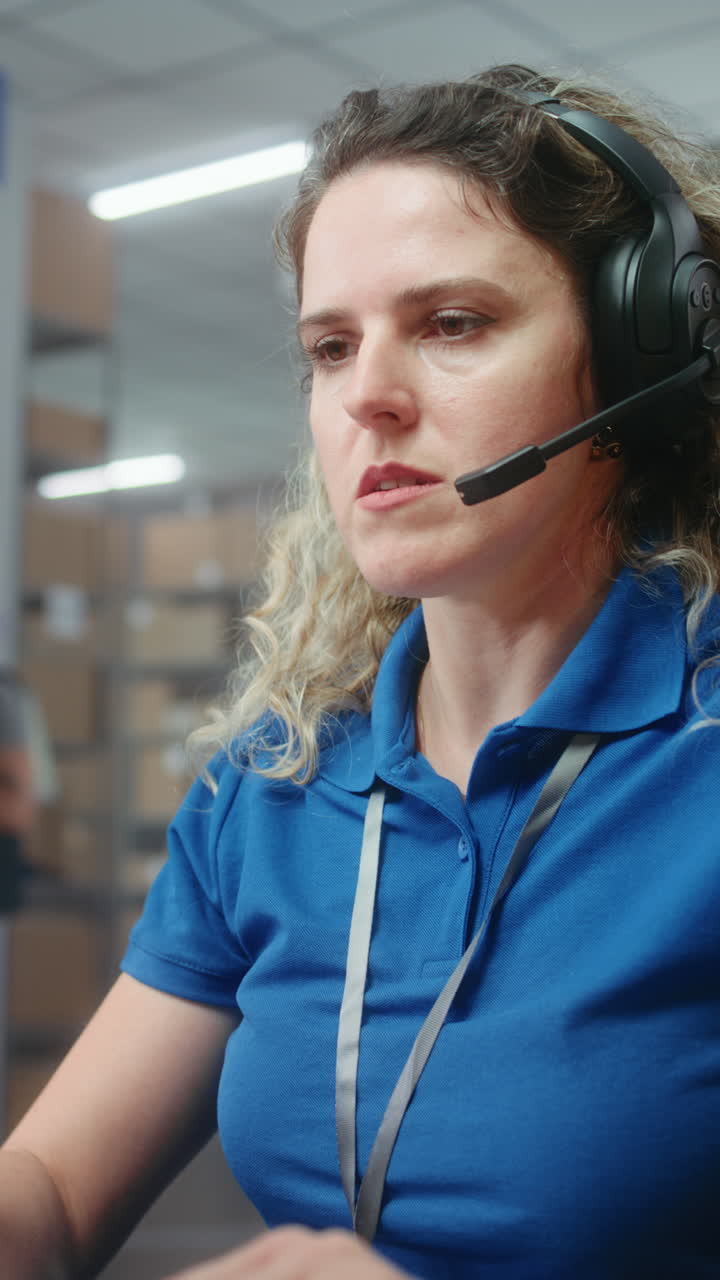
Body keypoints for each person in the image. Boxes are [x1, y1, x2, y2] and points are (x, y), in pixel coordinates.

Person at [2, 61, 720, 1280]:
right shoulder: (273, 780)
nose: (367, 400)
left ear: (638, 355)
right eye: (331, 348)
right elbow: (57, 1188)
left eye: (452, 324)